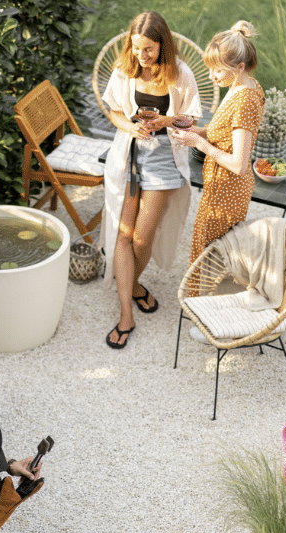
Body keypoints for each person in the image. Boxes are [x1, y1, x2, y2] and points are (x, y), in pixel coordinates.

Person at [100, 11, 202, 349]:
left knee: (141, 240)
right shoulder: (126, 68)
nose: (141, 57)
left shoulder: (181, 74)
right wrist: (131, 126)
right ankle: (126, 313)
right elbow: (114, 109)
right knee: (123, 234)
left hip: (163, 161)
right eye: (136, 48)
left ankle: (134, 284)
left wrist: (166, 121)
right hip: (129, 155)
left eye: (148, 50)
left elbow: (193, 118)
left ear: (163, 46)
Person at [169, 22, 264, 269]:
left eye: (217, 71)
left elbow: (239, 165)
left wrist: (198, 142)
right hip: (224, 187)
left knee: (210, 257)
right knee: (215, 252)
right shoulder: (243, 84)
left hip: (226, 192)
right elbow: (228, 134)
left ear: (239, 66)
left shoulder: (243, 101)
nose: (212, 77)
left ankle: (204, 304)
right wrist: (196, 131)